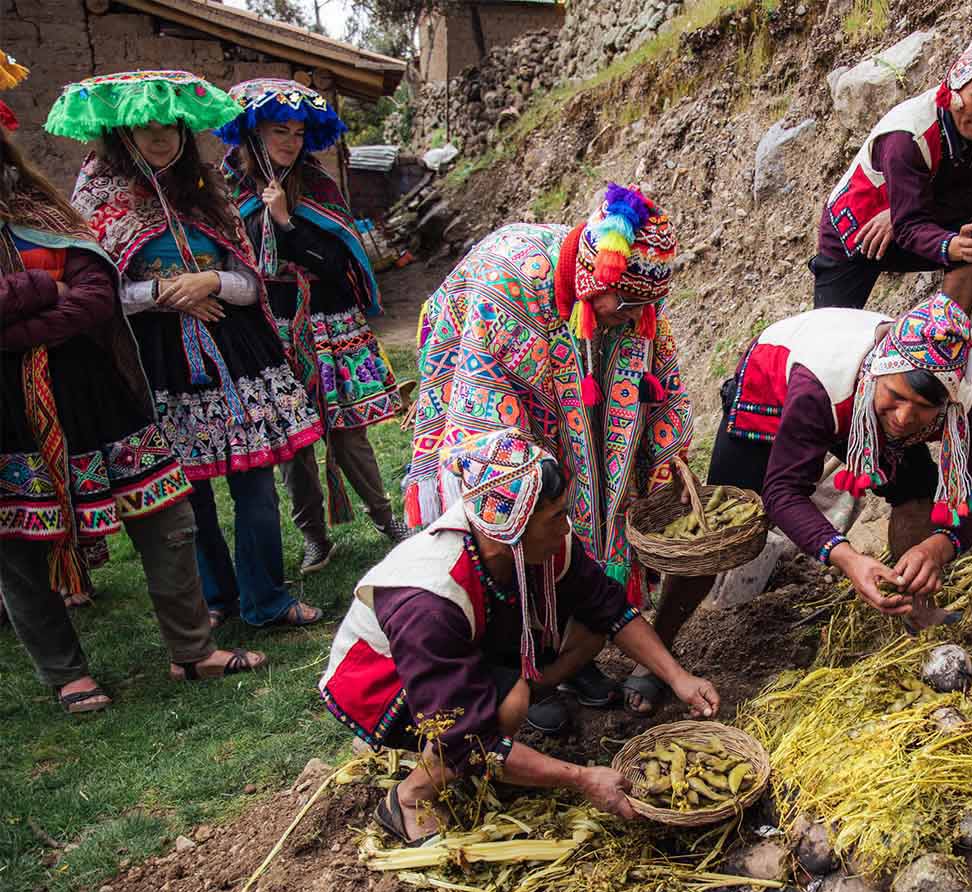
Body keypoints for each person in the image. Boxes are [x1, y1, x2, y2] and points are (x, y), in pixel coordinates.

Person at [1, 75, 266, 714]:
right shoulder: (98, 193)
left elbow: (95, 292)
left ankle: (192, 649)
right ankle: (68, 674)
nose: (161, 136)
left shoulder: (42, 212)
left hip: (96, 388)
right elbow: (81, 291)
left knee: (167, 516)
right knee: (20, 546)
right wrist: (47, 292)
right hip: (8, 410)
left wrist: (34, 310)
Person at [320, 430, 721, 843]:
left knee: (589, 629)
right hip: (383, 683)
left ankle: (503, 740)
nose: (565, 527)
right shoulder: (430, 601)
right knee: (499, 711)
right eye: (554, 518)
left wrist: (678, 678)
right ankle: (410, 796)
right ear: (508, 529)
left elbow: (610, 608)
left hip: (464, 650)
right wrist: (582, 778)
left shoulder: (528, 546)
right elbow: (462, 735)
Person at [49, 70, 325, 630]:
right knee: (187, 489)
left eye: (169, 128)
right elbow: (98, 291)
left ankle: (266, 598)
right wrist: (164, 293)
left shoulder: (208, 190)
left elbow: (250, 279)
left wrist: (211, 284)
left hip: (235, 349)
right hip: (156, 360)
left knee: (256, 483)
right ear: (122, 134)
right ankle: (214, 597)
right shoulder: (100, 201)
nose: (160, 140)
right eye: (146, 129)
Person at [406, 185, 686, 714]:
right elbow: (488, 438)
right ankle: (517, 657)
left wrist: (658, 450)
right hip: (490, 383)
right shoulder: (506, 283)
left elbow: (653, 383)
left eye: (647, 307)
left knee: (594, 492)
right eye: (625, 304)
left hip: (575, 387)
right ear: (592, 278)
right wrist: (537, 472)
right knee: (523, 505)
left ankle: (569, 648)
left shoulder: (629, 299)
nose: (635, 317)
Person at [644, 293, 972, 708]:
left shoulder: (966, 406)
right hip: (774, 383)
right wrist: (846, 557)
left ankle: (916, 610)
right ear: (876, 373)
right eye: (896, 397)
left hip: (857, 405)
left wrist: (940, 546)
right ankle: (657, 652)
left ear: (946, 405)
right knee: (716, 528)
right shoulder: (821, 385)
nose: (903, 418)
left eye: (922, 409)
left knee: (918, 493)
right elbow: (781, 491)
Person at [217, 78, 409, 576]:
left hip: (327, 323)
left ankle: (387, 520)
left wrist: (284, 221)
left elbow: (336, 263)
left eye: (299, 132)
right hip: (270, 330)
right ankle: (314, 537)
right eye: (280, 130)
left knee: (348, 433)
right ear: (252, 133)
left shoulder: (317, 185)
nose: (291, 142)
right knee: (293, 444)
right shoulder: (226, 192)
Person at [812, 33, 972, 313]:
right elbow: (910, 225)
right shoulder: (907, 136)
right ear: (955, 89)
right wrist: (929, 232)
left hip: (910, 223)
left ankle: (946, 343)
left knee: (971, 251)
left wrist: (937, 233)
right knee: (830, 338)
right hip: (854, 232)